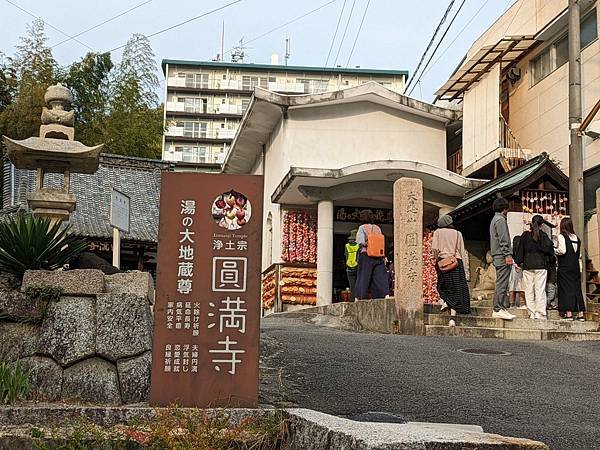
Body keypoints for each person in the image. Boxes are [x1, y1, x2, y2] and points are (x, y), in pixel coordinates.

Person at [432, 214, 470, 326]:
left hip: (443, 262)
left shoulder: (437, 232)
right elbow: (462, 250)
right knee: (456, 289)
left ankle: (445, 301)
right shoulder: (458, 233)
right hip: (456, 263)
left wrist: (437, 258)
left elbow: (434, 248)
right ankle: (452, 318)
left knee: (443, 286)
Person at [514, 215, 554, 320]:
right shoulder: (543, 236)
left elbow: (520, 251)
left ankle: (531, 312)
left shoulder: (525, 235)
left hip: (528, 266)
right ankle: (540, 313)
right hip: (541, 265)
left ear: (531, 223)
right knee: (540, 290)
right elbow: (550, 250)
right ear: (541, 225)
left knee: (529, 290)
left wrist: (518, 262)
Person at [554, 217, 586, 321]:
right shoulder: (576, 237)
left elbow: (562, 250)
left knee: (565, 288)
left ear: (563, 225)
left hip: (565, 266)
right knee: (576, 288)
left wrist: (554, 249)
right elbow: (579, 254)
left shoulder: (561, 236)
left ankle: (569, 313)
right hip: (575, 266)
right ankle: (581, 313)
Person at [489, 197, 516, 320]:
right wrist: (508, 254)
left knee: (502, 282)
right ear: (504, 208)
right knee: (502, 283)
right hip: (502, 255)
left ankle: (501, 307)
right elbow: (503, 239)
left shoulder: (494, 219)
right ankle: (498, 308)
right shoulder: (500, 220)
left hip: (497, 255)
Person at [355, 213, 389, 300]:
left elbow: (360, 242)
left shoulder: (362, 228)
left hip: (366, 254)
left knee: (364, 276)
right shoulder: (378, 228)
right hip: (378, 255)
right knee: (379, 276)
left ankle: (360, 297)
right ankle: (383, 295)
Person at [508, 235, 526, 309]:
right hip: (521, 268)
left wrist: (515, 265)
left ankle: (512, 304)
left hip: (512, 269)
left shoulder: (511, 250)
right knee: (521, 287)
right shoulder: (522, 250)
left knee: (513, 287)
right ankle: (522, 303)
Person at [344, 229, 360, 301]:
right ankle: (358, 298)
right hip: (357, 267)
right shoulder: (358, 245)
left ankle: (352, 299)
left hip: (349, 267)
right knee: (359, 283)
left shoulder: (347, 246)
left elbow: (346, 256)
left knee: (352, 285)